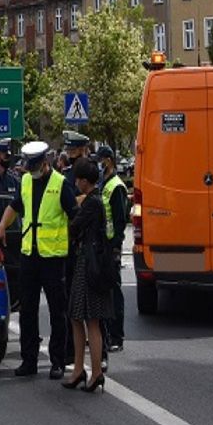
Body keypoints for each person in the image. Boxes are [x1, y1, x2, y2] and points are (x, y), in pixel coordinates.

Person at [0, 140, 78, 379]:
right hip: (29, 255)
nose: (30, 169)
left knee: (56, 311)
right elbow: (14, 206)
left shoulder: (61, 184)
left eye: (34, 165)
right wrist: (0, 228)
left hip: (53, 257)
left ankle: (58, 361)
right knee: (27, 310)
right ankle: (28, 360)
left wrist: (73, 241)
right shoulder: (26, 181)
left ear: (45, 162)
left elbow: (74, 215)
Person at [63, 157, 113, 393]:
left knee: (87, 318)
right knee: (81, 317)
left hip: (88, 265)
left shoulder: (91, 203)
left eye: (78, 180)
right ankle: (84, 370)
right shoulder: (96, 200)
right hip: (92, 264)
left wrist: (74, 208)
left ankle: (91, 371)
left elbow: (74, 227)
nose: (76, 183)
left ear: (84, 181)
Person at [97, 145, 128, 352]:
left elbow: (119, 220)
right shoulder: (104, 183)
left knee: (114, 293)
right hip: (102, 245)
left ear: (109, 160)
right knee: (104, 293)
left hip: (111, 247)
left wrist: (116, 247)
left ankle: (117, 336)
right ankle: (107, 335)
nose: (99, 164)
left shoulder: (116, 186)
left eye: (101, 160)